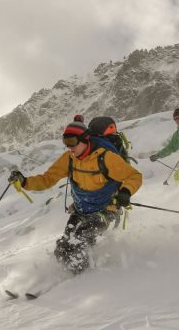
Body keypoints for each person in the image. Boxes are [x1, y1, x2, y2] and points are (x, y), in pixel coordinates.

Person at [9, 115, 142, 274]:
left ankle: (81, 279)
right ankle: (60, 273)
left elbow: (134, 176)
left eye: (72, 142)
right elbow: (47, 179)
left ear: (85, 139)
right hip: (81, 210)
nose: (69, 147)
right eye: (66, 143)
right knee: (63, 245)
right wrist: (24, 182)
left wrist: (125, 193)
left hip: (106, 209)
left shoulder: (105, 157)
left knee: (81, 238)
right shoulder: (69, 159)